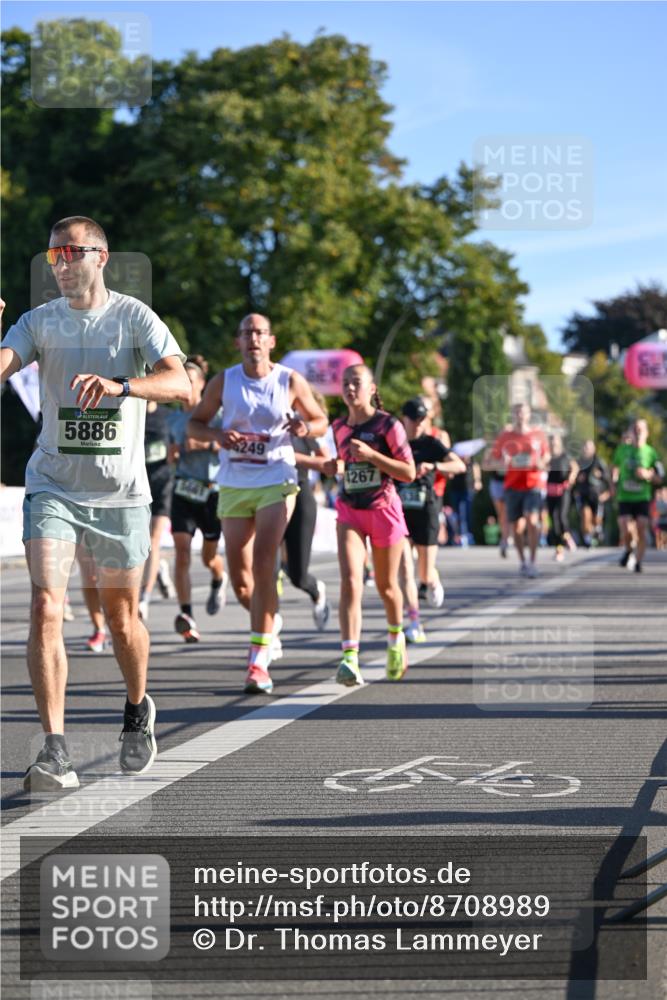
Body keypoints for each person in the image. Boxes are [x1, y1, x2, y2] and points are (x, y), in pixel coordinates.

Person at [0, 217, 190, 791]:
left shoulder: (134, 317)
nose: (60, 263)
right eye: (53, 254)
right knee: (45, 606)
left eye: (71, 252)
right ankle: (55, 749)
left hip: (120, 493)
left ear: (101, 257)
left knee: (121, 618)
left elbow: (181, 384)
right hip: (53, 485)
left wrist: (121, 386)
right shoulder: (39, 321)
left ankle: (137, 707)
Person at [187, 313, 327, 694]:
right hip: (235, 482)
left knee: (265, 561)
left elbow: (320, 420)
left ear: (271, 341)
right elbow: (195, 424)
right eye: (247, 333)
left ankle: (258, 661)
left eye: (260, 333)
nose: (253, 339)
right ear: (238, 342)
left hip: (277, 478)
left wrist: (305, 427)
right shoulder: (224, 381)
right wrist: (217, 435)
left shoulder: (288, 380)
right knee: (241, 580)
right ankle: (269, 621)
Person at [323, 365, 416, 685]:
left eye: (357, 383)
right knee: (351, 581)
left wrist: (373, 456)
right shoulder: (338, 427)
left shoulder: (388, 425)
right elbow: (340, 463)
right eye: (345, 383)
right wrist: (333, 466)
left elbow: (409, 472)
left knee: (387, 586)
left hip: (383, 510)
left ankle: (396, 638)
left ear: (372, 388)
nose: (350, 388)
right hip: (350, 509)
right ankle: (349, 657)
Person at [167, 355, 228, 642]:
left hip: (212, 492)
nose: (186, 387)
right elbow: (171, 456)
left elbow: (230, 447)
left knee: (208, 557)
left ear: (202, 385)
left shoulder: (217, 415)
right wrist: (175, 453)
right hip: (183, 490)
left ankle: (218, 577)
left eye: (190, 381)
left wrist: (204, 444)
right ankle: (186, 615)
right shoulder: (173, 419)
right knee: (181, 552)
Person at [398, 397, 465, 641]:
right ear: (403, 419)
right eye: (413, 420)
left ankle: (432, 580)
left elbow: (459, 466)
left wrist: (434, 466)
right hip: (400, 513)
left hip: (426, 510)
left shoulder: (431, 443)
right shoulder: (395, 443)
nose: (418, 424)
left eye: (421, 420)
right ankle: (414, 622)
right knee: (405, 570)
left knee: (423, 574)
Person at [483, 402, 550, 578]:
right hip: (512, 485)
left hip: (533, 484)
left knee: (532, 520)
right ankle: (523, 561)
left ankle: (533, 561)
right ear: (512, 415)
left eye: (523, 413)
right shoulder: (505, 437)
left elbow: (546, 457)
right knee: (517, 528)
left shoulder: (538, 435)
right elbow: (489, 463)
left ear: (529, 415)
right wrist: (501, 463)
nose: (520, 416)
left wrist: (539, 463)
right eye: (517, 413)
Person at [281, 431, 331, 630]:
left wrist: (290, 457)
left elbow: (328, 464)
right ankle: (268, 632)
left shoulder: (303, 427)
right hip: (267, 495)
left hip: (300, 495)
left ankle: (316, 590)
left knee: (298, 576)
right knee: (267, 569)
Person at [138, 400, 175, 621]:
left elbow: (177, 446)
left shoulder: (168, 416)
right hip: (137, 484)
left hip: (163, 484)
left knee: (154, 538)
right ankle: (158, 566)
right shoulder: (130, 410)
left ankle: (144, 597)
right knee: (141, 540)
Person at [612, 418, 664, 573]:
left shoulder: (651, 453)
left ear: (646, 433)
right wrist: (613, 482)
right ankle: (628, 550)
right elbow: (614, 467)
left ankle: (638, 562)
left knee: (641, 528)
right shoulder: (622, 450)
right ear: (631, 432)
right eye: (635, 429)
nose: (638, 432)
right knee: (626, 529)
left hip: (642, 497)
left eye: (641, 429)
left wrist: (648, 475)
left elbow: (660, 477)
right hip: (624, 497)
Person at [572, 439, 611, 547]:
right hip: (583, 494)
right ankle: (587, 538)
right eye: (584, 447)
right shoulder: (579, 462)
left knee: (597, 519)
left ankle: (597, 531)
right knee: (585, 515)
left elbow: (608, 477)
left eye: (588, 447)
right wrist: (577, 479)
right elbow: (571, 477)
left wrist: (601, 476)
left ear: (593, 449)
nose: (586, 450)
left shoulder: (598, 461)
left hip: (597, 495)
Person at [546, 434, 578, 562]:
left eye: (555, 441)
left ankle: (567, 537)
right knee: (554, 522)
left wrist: (571, 478)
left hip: (563, 490)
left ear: (560, 443)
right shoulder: (547, 456)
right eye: (551, 441)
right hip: (550, 491)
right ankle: (559, 550)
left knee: (561, 516)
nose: (553, 443)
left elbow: (575, 468)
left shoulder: (566, 456)